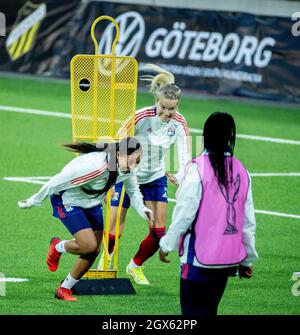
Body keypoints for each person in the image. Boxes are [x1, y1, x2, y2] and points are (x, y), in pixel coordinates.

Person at [18, 137, 154, 301]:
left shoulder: (127, 168)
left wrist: (143, 209)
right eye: (131, 161)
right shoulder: (95, 167)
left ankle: (64, 288)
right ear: (118, 154)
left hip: (92, 202)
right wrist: (34, 200)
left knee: (94, 250)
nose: (133, 166)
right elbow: (56, 181)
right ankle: (58, 246)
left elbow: (134, 192)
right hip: (68, 199)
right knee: (88, 245)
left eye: (137, 162)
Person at [97, 64, 191, 285]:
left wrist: (180, 175)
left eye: (173, 109)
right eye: (164, 107)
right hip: (128, 177)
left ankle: (135, 266)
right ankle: (105, 259)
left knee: (159, 234)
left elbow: (185, 153)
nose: (167, 113)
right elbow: (117, 143)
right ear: (156, 101)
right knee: (114, 231)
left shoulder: (179, 123)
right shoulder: (140, 116)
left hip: (156, 178)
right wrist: (111, 176)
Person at [159, 112, 258, 316]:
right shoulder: (243, 171)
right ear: (231, 137)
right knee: (210, 311)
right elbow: (248, 222)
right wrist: (247, 259)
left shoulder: (197, 169)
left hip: (199, 259)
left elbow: (184, 215)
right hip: (228, 259)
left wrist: (166, 244)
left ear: (205, 136)